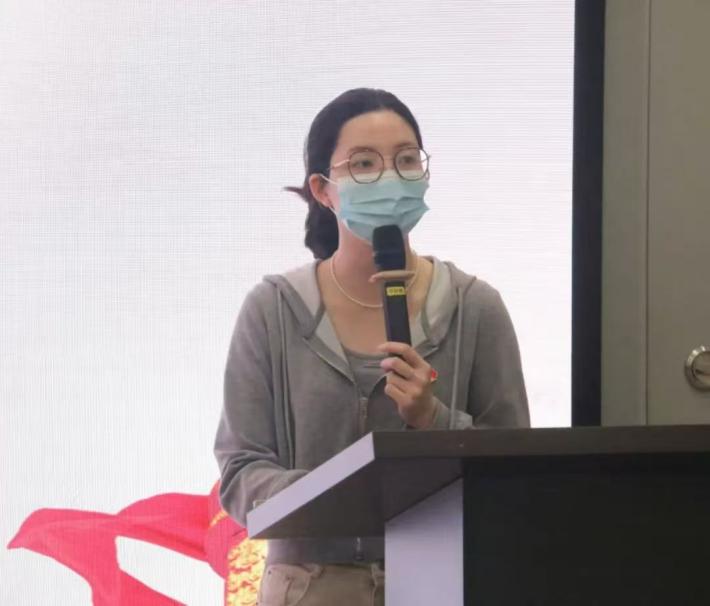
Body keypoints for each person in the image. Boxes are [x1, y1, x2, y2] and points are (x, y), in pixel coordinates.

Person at [213, 87, 530, 606]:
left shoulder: (475, 307)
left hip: (441, 587)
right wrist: (341, 496)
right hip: (309, 590)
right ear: (323, 189)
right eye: (363, 164)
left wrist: (434, 418)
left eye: (406, 160)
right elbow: (240, 472)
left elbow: (514, 472)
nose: (389, 178)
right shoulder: (273, 310)